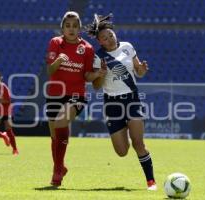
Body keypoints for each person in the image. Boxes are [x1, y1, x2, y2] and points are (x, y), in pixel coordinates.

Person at [86, 14, 157, 190]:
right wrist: (100, 75)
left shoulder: (127, 47)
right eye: (104, 38)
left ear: (115, 34)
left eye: (110, 35)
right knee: (122, 152)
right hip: (112, 104)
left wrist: (142, 70)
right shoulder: (98, 57)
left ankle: (151, 182)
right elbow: (96, 86)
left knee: (138, 143)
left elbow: (138, 71)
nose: (109, 39)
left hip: (132, 99)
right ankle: (122, 128)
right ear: (100, 42)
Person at [45, 11, 105, 186]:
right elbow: (50, 70)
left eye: (75, 26)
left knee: (61, 123)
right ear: (62, 28)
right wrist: (58, 61)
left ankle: (56, 173)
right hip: (55, 94)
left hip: (76, 95)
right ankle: (60, 166)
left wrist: (97, 74)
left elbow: (86, 76)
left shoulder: (87, 48)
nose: (71, 29)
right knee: (55, 137)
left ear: (80, 28)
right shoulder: (55, 43)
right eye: (67, 26)